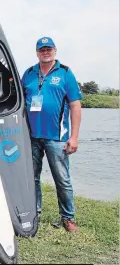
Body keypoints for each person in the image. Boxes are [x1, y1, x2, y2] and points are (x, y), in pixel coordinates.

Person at [21, 37, 82, 233]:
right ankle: (33, 212)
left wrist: (74, 137)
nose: (45, 52)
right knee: (32, 178)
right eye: (41, 49)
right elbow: (18, 103)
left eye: (48, 49)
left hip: (57, 137)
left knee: (62, 179)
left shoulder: (65, 72)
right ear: (37, 52)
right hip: (31, 137)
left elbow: (75, 105)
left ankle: (68, 218)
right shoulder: (28, 73)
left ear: (55, 50)